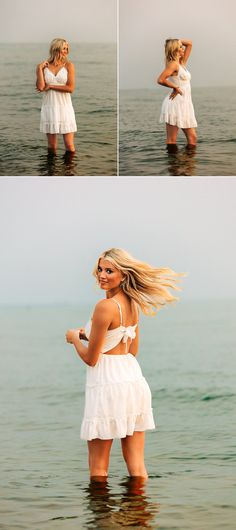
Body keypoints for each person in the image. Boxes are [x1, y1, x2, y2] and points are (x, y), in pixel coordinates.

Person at [66, 248, 181, 480]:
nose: (102, 274)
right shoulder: (132, 304)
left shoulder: (104, 306)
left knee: (98, 469)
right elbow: (131, 350)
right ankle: (139, 515)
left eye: (109, 270)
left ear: (124, 275)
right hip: (132, 381)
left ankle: (100, 516)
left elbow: (91, 358)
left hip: (107, 385)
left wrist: (74, 339)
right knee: (137, 467)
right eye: (100, 269)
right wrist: (90, 336)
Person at [36, 38, 77, 153]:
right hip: (49, 107)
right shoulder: (44, 66)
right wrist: (39, 69)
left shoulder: (69, 65)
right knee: (52, 146)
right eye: (64, 48)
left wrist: (51, 86)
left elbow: (70, 88)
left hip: (65, 107)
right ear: (56, 48)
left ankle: (70, 171)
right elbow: (40, 87)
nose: (66, 50)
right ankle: (51, 171)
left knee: (69, 146)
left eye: (67, 48)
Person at [158, 39, 197, 148]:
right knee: (172, 140)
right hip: (175, 104)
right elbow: (160, 79)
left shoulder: (182, 63)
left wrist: (178, 41)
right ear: (174, 49)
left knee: (192, 138)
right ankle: (174, 164)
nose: (183, 48)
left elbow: (190, 43)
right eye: (180, 47)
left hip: (185, 104)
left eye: (181, 46)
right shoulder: (173, 65)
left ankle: (188, 164)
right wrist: (175, 87)